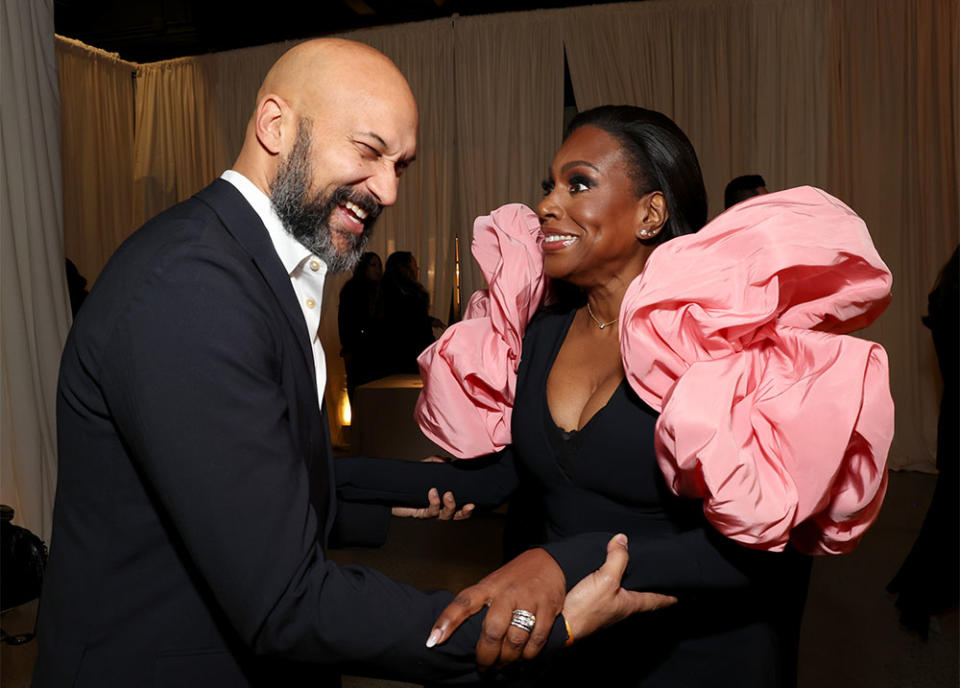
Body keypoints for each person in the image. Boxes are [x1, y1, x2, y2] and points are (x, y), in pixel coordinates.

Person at [32, 41, 656, 687]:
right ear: (275, 126)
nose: (387, 189)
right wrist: (523, 628)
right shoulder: (191, 285)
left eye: (401, 166)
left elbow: (270, 462)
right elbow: (284, 604)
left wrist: (393, 503)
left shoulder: (249, 262)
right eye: (368, 151)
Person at [335, 105, 894, 686]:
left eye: (578, 184)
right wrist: (325, 480)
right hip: (572, 642)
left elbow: (759, 552)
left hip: (693, 653)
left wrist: (562, 562)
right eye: (548, 186)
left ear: (650, 213)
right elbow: (503, 479)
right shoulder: (541, 333)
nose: (549, 204)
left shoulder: (722, 350)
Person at [373, 250, 439, 377]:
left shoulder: (382, 293)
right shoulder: (413, 296)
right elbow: (420, 329)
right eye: (414, 265)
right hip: (411, 358)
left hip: (387, 359)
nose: (417, 268)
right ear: (406, 269)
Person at [338, 251, 382, 399]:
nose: (377, 270)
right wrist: (348, 348)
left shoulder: (381, 290)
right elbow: (345, 321)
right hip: (357, 350)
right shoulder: (351, 289)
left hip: (377, 350)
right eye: (373, 265)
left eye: (379, 266)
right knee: (358, 392)